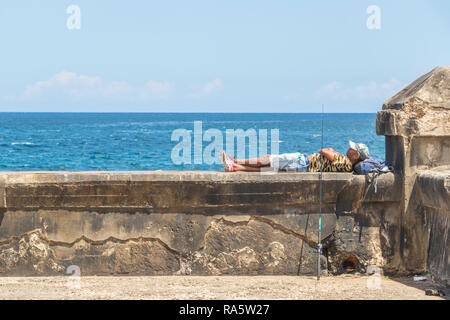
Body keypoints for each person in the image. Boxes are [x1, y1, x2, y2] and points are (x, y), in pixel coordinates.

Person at [221, 140, 369, 173]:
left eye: (352, 149)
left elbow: (324, 151)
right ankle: (236, 167)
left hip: (302, 161)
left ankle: (235, 161)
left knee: (269, 159)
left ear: (356, 155)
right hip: (303, 166)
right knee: (270, 168)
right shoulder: (347, 166)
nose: (349, 148)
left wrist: (329, 149)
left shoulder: (345, 161)